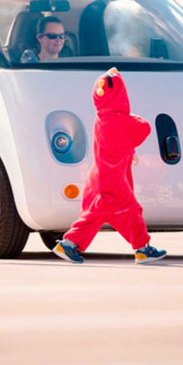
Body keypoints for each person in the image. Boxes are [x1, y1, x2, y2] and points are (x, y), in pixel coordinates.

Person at [52, 68, 167, 264]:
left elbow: (117, 143)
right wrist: (131, 116)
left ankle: (70, 244)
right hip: (113, 181)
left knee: (94, 216)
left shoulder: (101, 119)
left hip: (98, 178)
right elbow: (144, 127)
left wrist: (129, 150)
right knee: (131, 211)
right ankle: (141, 250)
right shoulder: (122, 120)